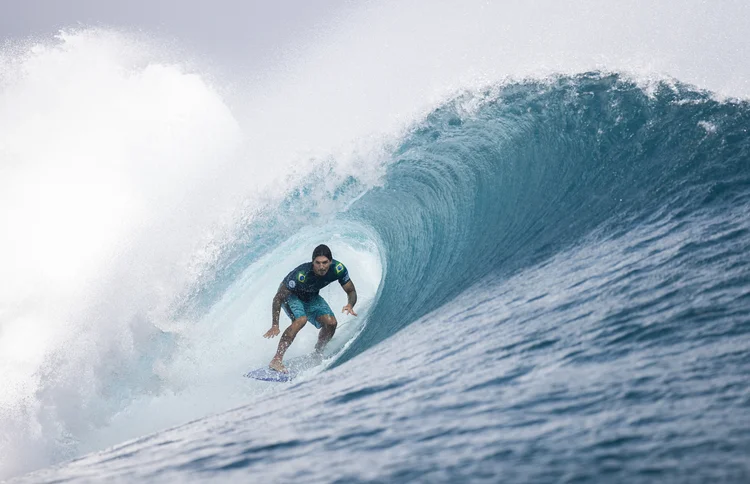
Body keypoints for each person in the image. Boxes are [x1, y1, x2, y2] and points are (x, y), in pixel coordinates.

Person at [263, 244, 357, 372]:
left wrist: (350, 304)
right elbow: (278, 297)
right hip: (292, 296)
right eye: (317, 263)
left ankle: (318, 352)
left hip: (311, 297)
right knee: (301, 320)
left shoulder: (338, 269)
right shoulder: (302, 274)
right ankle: (276, 360)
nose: (321, 267)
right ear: (313, 262)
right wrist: (275, 324)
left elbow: (351, 290)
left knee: (331, 323)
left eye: (325, 262)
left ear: (330, 261)